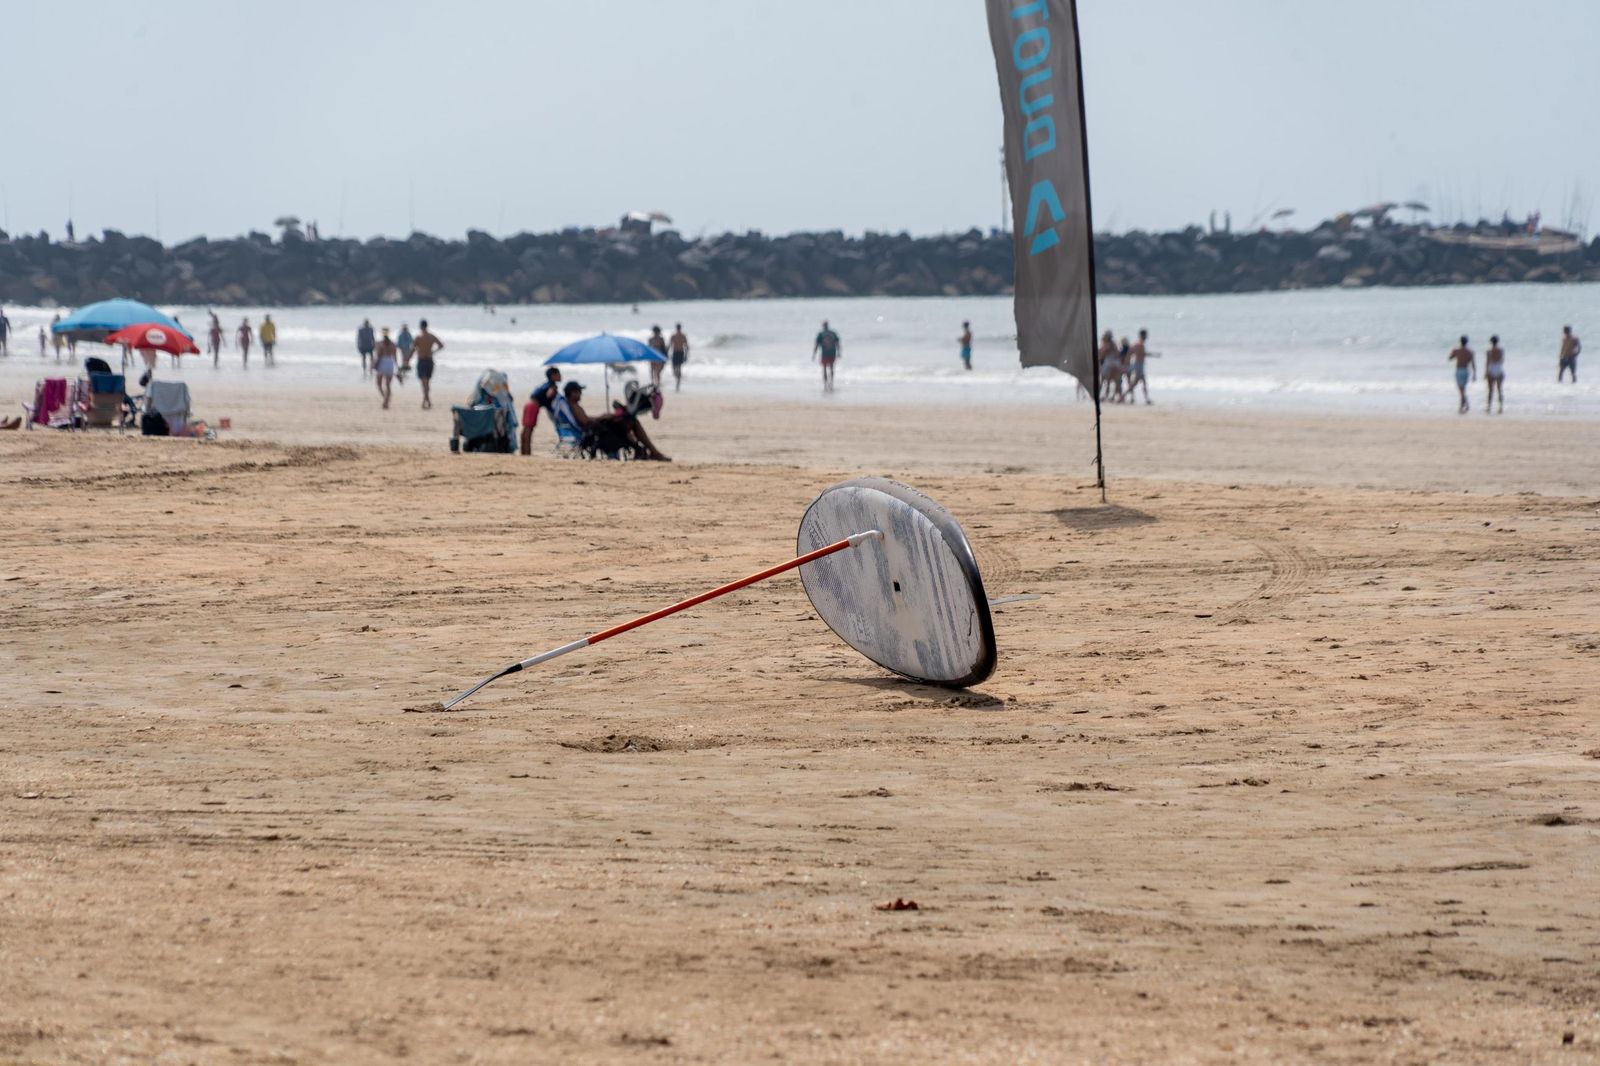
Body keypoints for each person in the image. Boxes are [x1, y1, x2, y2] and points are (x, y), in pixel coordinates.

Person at [553, 380, 670, 460]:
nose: (581, 394)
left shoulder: (570, 405)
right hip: (594, 432)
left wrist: (604, 416)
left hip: (593, 429)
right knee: (631, 421)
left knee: (628, 419)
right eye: (579, 391)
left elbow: (585, 420)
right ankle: (651, 451)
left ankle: (645, 450)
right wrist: (603, 417)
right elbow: (585, 422)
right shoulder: (574, 406)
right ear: (572, 393)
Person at [412, 319, 443, 409]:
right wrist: (433, 352)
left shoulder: (418, 337)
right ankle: (427, 401)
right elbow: (441, 345)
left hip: (422, 361)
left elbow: (412, 349)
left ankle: (426, 401)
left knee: (424, 383)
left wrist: (407, 360)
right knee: (427, 383)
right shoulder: (431, 336)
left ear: (420, 326)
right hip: (429, 360)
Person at [1449, 335, 1476, 413]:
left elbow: (1450, 358)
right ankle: (1463, 405)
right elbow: (1473, 364)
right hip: (1466, 370)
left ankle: (1465, 405)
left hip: (1459, 370)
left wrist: (1455, 354)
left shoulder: (1457, 350)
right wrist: (1474, 374)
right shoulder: (1470, 352)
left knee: (1461, 390)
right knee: (1463, 389)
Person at [813, 320, 841, 392]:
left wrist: (814, 354)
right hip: (831, 353)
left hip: (825, 354)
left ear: (823, 326)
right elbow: (837, 343)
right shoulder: (833, 333)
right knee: (831, 368)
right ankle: (831, 383)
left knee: (825, 369)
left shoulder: (821, 334)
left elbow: (817, 345)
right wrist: (839, 352)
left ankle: (826, 384)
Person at [373, 328, 398, 409]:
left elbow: (378, 355)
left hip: (382, 362)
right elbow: (395, 357)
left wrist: (375, 364)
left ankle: (385, 399)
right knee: (388, 385)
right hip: (390, 362)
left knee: (379, 383)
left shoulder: (379, 343)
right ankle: (386, 400)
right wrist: (396, 367)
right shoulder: (393, 344)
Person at [1128, 329, 1152, 404]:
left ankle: (1145, 398)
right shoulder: (1140, 344)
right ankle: (1146, 399)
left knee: (1136, 383)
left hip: (1138, 365)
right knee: (1138, 383)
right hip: (1139, 365)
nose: (1146, 337)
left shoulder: (1137, 343)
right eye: (1145, 335)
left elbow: (1130, 352)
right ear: (1143, 335)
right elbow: (1141, 354)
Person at [1098, 330, 1123, 403]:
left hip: (1109, 364)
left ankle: (1105, 396)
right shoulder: (1114, 344)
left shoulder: (1107, 345)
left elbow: (1102, 355)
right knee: (1114, 381)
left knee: (1103, 381)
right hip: (1115, 364)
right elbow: (1118, 354)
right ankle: (1110, 396)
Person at [1484, 335, 1505, 414]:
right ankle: (1500, 407)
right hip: (1499, 368)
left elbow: (1487, 362)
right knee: (1499, 389)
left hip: (1491, 368)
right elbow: (1502, 360)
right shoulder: (1501, 350)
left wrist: (1486, 372)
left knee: (1490, 390)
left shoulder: (1489, 351)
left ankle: (1489, 407)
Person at [668, 323, 690, 391]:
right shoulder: (674, 336)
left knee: (679, 368)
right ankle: (678, 379)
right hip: (676, 353)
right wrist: (667, 353)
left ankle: (677, 385)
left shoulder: (682, 336)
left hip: (680, 353)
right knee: (674, 369)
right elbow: (670, 345)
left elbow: (686, 346)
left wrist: (686, 355)